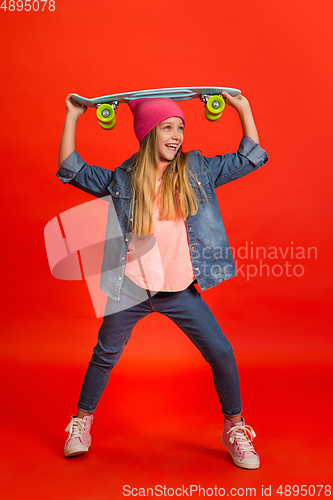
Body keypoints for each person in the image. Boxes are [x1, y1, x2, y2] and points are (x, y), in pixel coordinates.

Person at [57, 91, 268, 469]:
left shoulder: (198, 171)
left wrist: (242, 107)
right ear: (147, 132)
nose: (177, 134)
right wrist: (74, 115)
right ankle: (81, 423)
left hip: (180, 290)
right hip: (131, 288)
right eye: (167, 127)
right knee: (104, 355)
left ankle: (234, 427)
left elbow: (250, 157)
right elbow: (71, 169)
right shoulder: (122, 179)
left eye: (181, 127)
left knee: (221, 352)